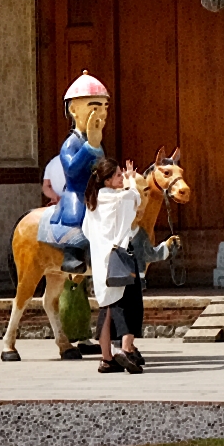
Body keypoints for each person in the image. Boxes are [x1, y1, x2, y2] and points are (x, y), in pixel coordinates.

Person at [38, 74, 111, 276]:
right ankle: (72, 255)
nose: (102, 114)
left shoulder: (97, 142)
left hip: (97, 191)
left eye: (105, 108)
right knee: (77, 217)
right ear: (73, 110)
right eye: (95, 107)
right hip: (77, 192)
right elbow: (70, 168)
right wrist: (89, 148)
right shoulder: (71, 143)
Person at [83, 155, 146, 374]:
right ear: (107, 180)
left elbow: (85, 231)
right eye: (118, 175)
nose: (121, 178)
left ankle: (106, 359)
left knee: (106, 309)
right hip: (121, 259)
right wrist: (131, 180)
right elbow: (135, 199)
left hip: (101, 263)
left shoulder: (92, 203)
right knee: (131, 305)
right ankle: (126, 349)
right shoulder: (122, 198)